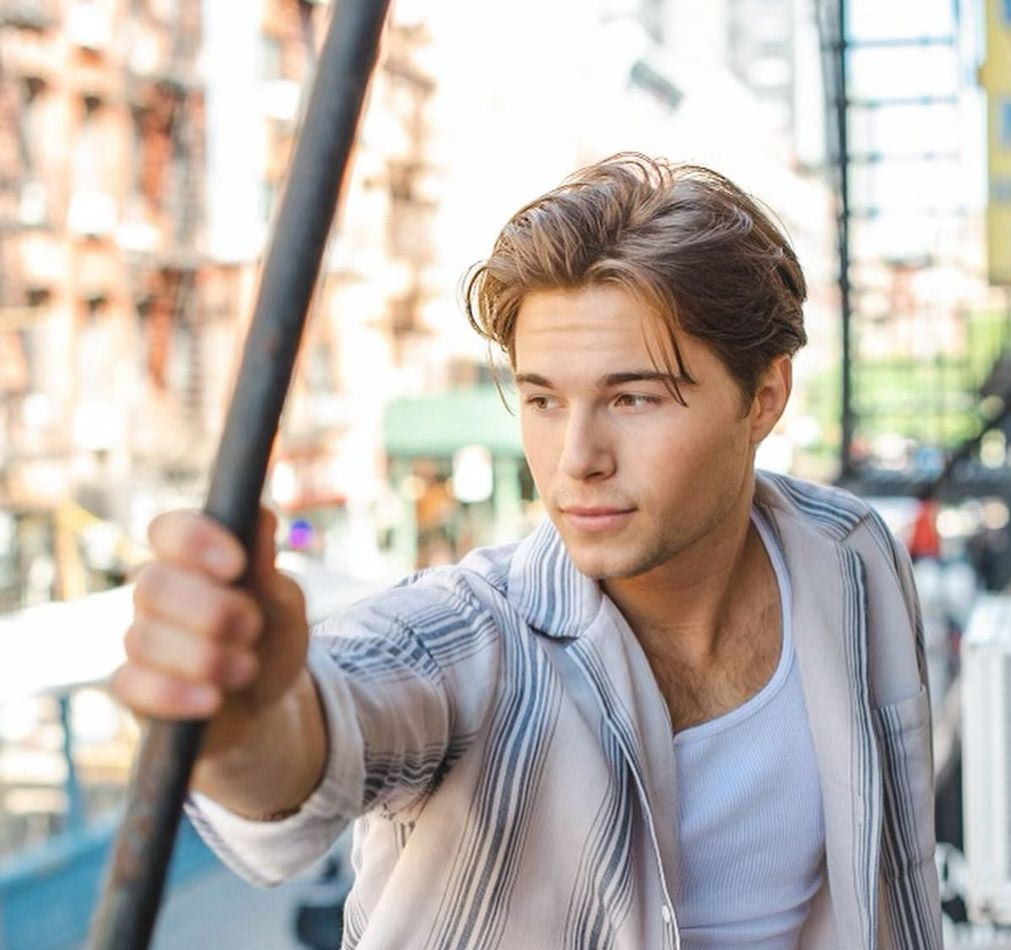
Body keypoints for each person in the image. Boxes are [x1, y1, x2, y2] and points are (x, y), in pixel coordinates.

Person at [113, 154, 942, 949]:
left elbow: (893, 884)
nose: (576, 456)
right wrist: (247, 717)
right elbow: (325, 732)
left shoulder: (851, 558)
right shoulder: (477, 636)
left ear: (764, 397)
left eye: (633, 397)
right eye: (543, 400)